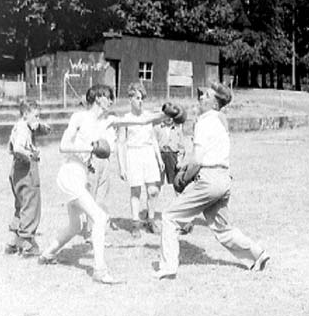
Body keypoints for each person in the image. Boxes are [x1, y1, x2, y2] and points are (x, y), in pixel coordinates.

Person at [38, 84, 175, 284]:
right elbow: (63, 146)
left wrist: (163, 116)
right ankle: (100, 271)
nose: (111, 101)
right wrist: (91, 148)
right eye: (108, 97)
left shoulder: (109, 121)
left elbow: (139, 120)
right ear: (98, 97)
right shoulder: (79, 117)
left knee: (75, 226)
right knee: (100, 217)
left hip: (81, 176)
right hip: (70, 174)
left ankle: (47, 254)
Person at [153, 83, 270, 280]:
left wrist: (183, 177)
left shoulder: (204, 122)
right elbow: (200, 156)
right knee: (223, 229)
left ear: (215, 103)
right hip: (223, 178)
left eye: (205, 95)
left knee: (169, 217)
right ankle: (257, 254)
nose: (200, 97)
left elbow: (198, 160)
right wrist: (185, 167)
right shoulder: (220, 121)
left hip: (208, 179)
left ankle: (168, 268)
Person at [117, 82, 164, 238]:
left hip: (148, 153)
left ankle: (150, 220)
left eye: (142, 98)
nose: (140, 101)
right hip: (133, 154)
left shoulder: (148, 116)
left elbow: (154, 139)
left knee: (153, 190)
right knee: (135, 191)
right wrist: (122, 166)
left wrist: (158, 157)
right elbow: (121, 143)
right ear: (130, 99)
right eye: (137, 98)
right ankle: (135, 223)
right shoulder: (125, 119)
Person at [5, 100, 51, 257]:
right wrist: (30, 154)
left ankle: (12, 241)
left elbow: (42, 129)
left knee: (20, 205)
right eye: (36, 116)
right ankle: (27, 243)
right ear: (25, 114)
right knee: (31, 204)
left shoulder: (19, 125)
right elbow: (18, 147)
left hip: (15, 171)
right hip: (26, 169)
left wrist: (41, 126)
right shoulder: (24, 129)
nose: (38, 119)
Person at [154, 117, 193, 235]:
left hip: (173, 157)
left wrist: (179, 161)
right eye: (167, 115)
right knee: (156, 188)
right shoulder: (157, 128)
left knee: (178, 187)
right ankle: (153, 217)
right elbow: (153, 144)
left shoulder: (177, 129)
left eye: (172, 116)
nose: (169, 118)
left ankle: (185, 219)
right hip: (160, 157)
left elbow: (181, 148)